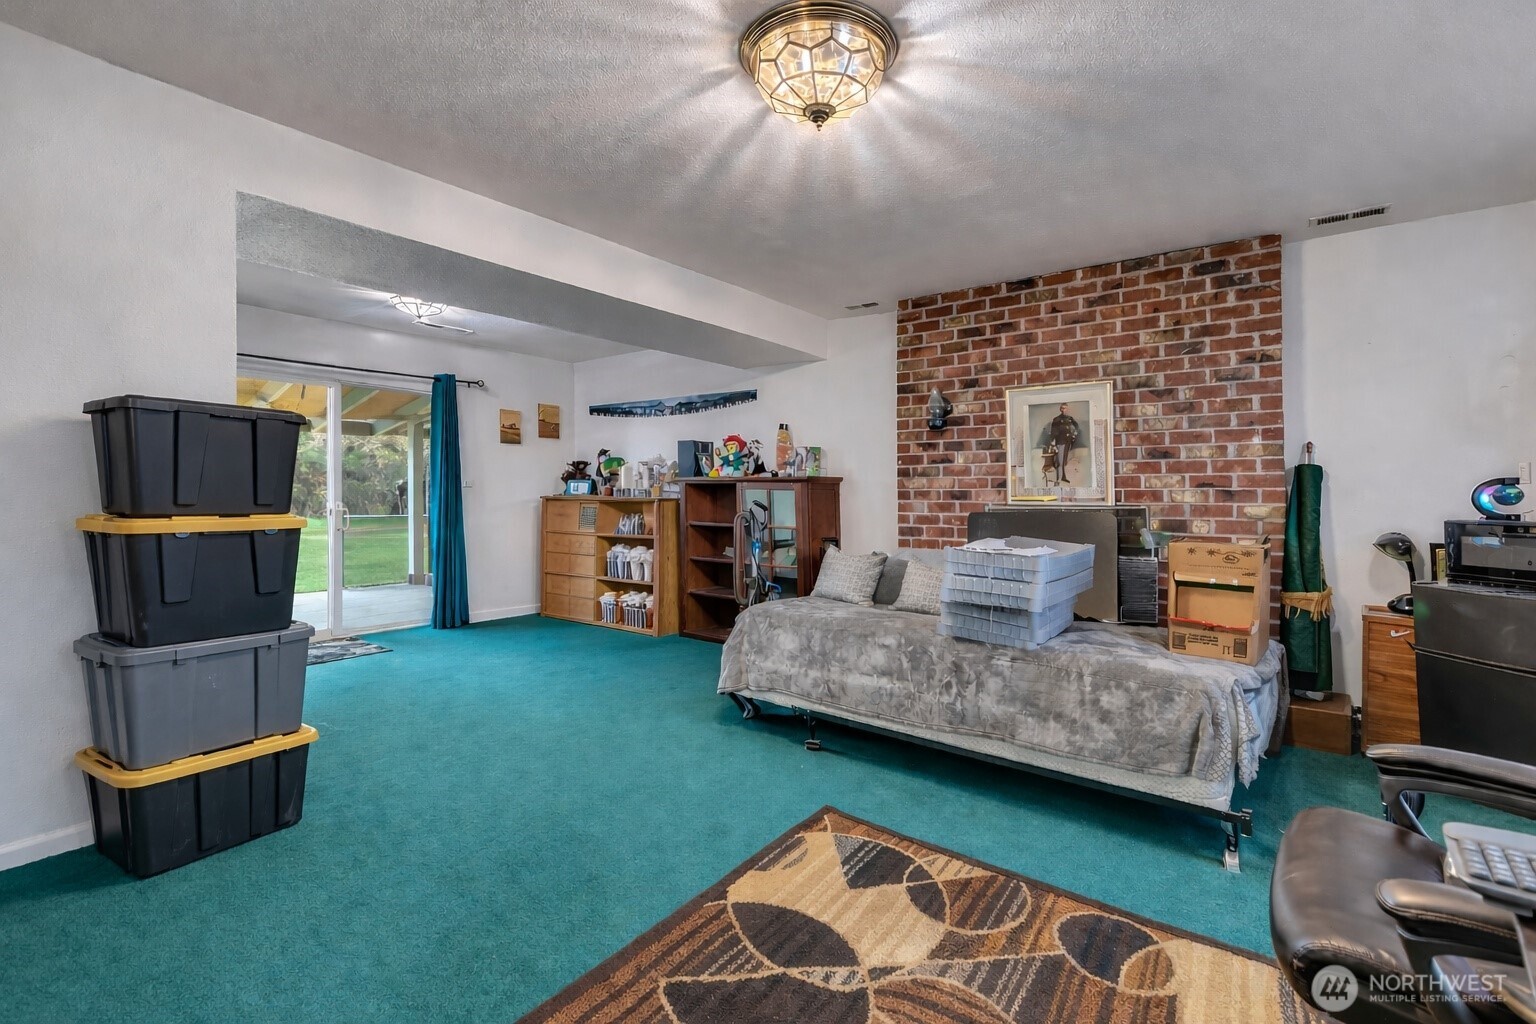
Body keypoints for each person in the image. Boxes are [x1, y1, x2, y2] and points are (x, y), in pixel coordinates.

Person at [1048, 404, 1080, 484]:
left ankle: (1063, 477)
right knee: (1060, 461)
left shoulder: (1070, 418)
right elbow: (1053, 432)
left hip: (1068, 442)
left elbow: (1076, 426)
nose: (1064, 410)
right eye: (1063, 408)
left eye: (1066, 408)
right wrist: (1053, 443)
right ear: (1061, 409)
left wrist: (1074, 434)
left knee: (1064, 461)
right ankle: (1058, 479)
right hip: (1060, 441)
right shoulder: (1057, 419)